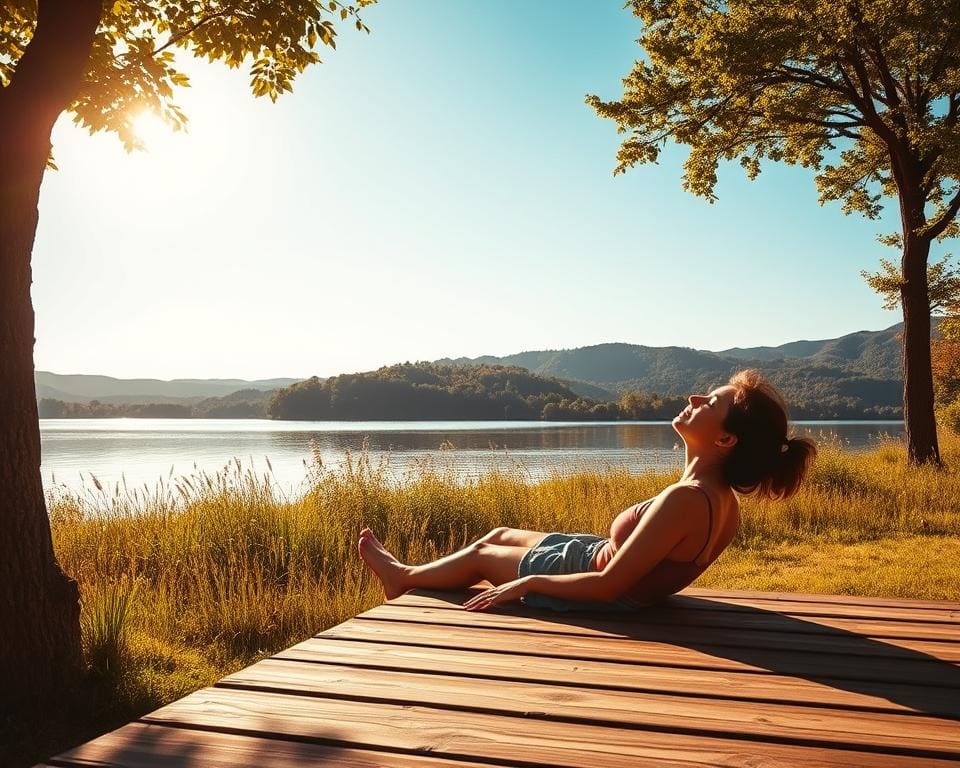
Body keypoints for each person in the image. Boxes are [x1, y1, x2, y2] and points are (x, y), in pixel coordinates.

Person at [358, 369, 816, 612]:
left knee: (482, 555)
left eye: (710, 403)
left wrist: (526, 584)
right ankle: (407, 573)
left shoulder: (688, 499)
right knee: (496, 534)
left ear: (725, 440)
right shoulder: (720, 498)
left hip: (593, 588)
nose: (696, 399)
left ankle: (403, 578)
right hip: (592, 557)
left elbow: (607, 586)